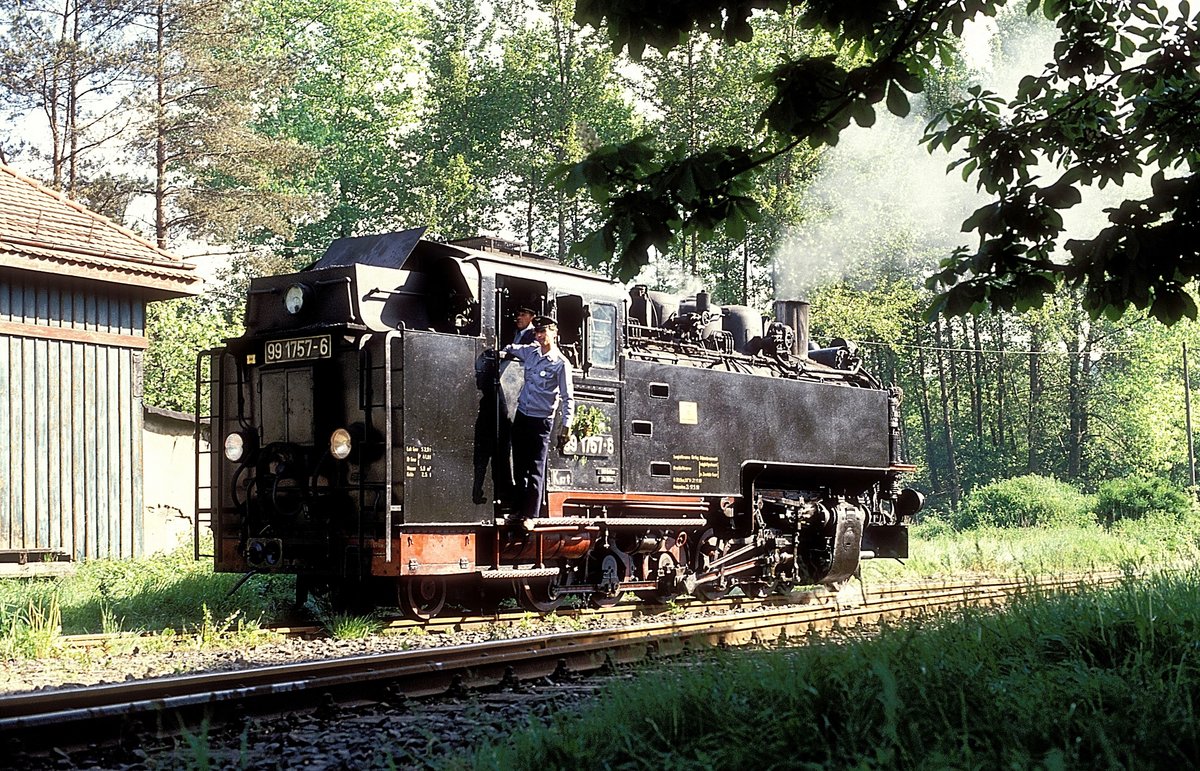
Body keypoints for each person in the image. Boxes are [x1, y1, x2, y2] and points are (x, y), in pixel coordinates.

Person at [500, 315, 574, 519]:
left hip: (541, 421)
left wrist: (566, 426)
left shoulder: (561, 364)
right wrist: (503, 350)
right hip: (523, 415)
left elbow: (568, 397)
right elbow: (513, 348)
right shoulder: (531, 352)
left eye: (544, 332)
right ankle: (518, 510)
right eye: (537, 332)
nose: (540, 336)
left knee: (535, 468)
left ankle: (531, 516)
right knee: (520, 466)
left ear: (554, 332)